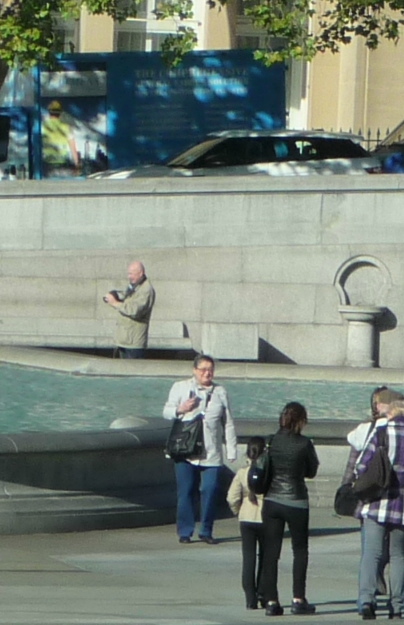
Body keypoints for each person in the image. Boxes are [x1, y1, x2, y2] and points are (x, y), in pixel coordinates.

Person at [352, 392, 404, 621]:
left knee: (372, 554)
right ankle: (395, 606)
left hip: (377, 502)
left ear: (391, 414)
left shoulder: (381, 432)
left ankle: (367, 600)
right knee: (398, 556)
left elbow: (361, 465)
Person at [163, 354, 238, 544]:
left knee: (209, 490)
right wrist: (181, 409)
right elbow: (166, 411)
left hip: (211, 452)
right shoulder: (180, 387)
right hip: (185, 451)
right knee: (186, 492)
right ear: (194, 370)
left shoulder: (220, 391)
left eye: (210, 370)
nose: (207, 373)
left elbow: (228, 423)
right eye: (203, 369)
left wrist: (231, 450)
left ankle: (206, 530)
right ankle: (185, 532)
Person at [260, 400, 320, 618]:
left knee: (270, 552)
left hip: (272, 500)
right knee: (300, 550)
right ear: (301, 421)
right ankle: (298, 599)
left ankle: (271, 601)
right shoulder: (304, 444)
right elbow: (311, 471)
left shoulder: (271, 441)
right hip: (296, 500)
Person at [228, 435, 271, 611]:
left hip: (246, 517)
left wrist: (238, 511)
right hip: (265, 517)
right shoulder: (268, 473)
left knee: (248, 558)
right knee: (266, 558)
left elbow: (231, 497)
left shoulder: (241, 473)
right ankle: (262, 591)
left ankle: (249, 598)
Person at [102, 259, 154, 359]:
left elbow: (134, 310)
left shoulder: (146, 290)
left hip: (134, 343)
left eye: (132, 274)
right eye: (128, 274)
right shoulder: (136, 285)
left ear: (141, 273)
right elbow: (126, 297)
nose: (129, 277)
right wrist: (114, 295)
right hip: (124, 340)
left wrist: (115, 303)